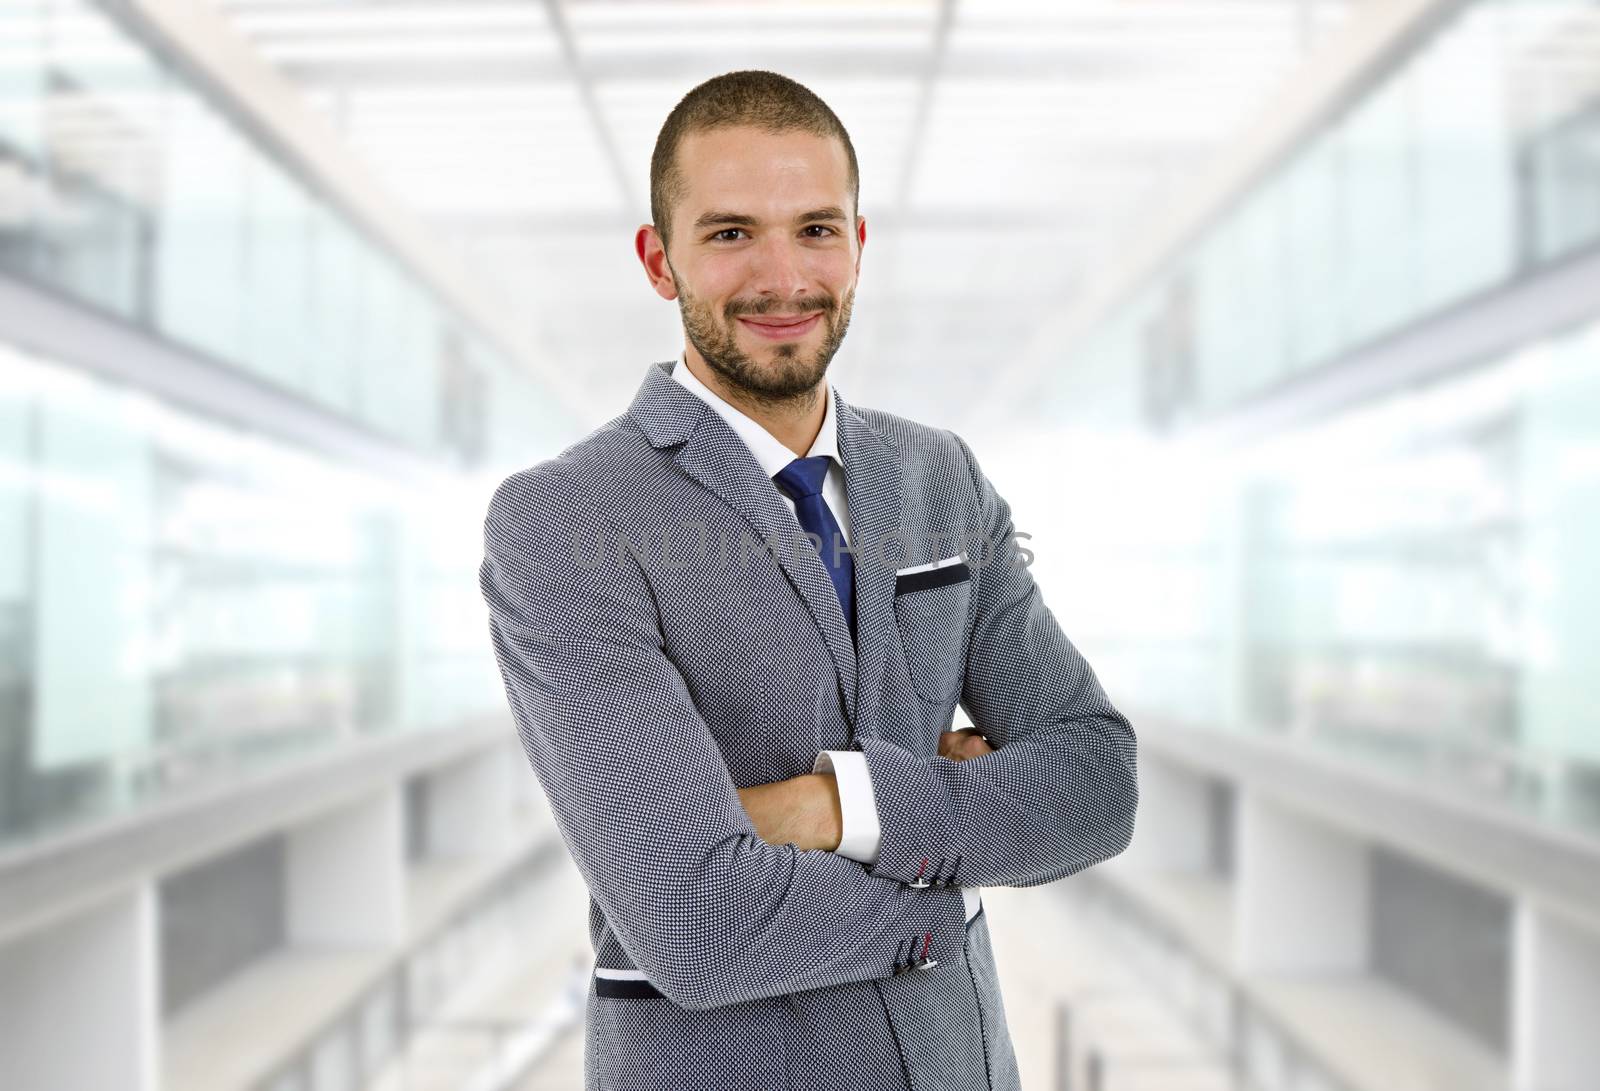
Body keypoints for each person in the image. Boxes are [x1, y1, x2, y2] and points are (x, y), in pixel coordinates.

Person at [480, 68, 1138, 1091]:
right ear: (660, 261)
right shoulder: (566, 520)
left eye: (817, 230)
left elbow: (1096, 782)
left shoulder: (940, 477)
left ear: (860, 247)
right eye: (732, 233)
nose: (783, 276)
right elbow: (698, 923)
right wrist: (959, 863)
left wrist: (833, 805)